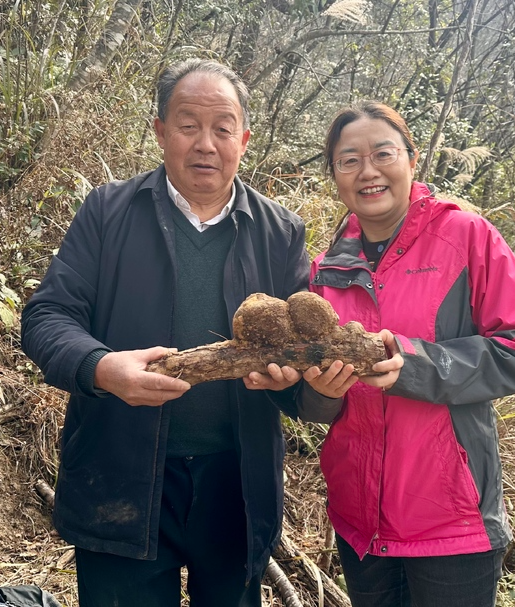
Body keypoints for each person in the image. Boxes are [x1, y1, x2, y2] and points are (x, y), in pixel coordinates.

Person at [20, 59, 310, 607]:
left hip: (236, 487)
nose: (206, 143)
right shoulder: (109, 212)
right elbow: (47, 315)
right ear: (160, 132)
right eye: (187, 125)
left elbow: (302, 364)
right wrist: (101, 368)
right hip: (119, 475)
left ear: (243, 139)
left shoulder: (280, 233)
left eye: (222, 128)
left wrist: (294, 378)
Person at [298, 101, 515, 607]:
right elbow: (314, 408)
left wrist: (415, 365)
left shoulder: (465, 236)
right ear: (335, 175)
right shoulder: (324, 270)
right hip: (359, 522)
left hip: (450, 519)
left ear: (412, 159)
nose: (367, 171)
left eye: (382, 153)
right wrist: (319, 394)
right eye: (348, 160)